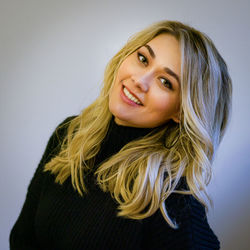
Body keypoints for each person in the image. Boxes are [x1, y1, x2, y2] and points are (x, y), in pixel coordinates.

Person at [10, 20, 232, 250]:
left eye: (165, 82)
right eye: (143, 59)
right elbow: (21, 239)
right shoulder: (69, 133)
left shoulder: (173, 200)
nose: (140, 81)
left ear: (181, 112)